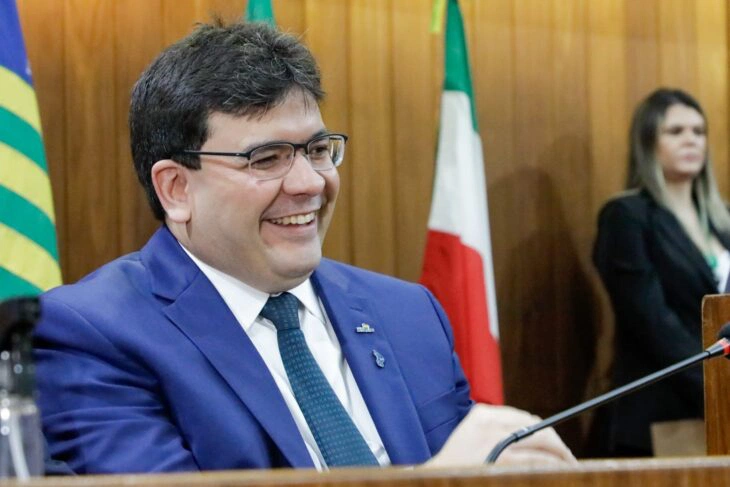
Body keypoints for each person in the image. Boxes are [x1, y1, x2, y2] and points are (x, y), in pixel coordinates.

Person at [33, 20, 574, 474]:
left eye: (317, 149)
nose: (311, 182)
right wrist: (439, 484)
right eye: (267, 158)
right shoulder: (92, 334)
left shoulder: (409, 314)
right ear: (177, 188)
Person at [593, 88, 730, 457]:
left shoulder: (724, 223)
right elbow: (653, 322)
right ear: (648, 142)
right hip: (659, 413)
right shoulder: (627, 217)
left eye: (699, 131)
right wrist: (718, 386)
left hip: (720, 407)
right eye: (676, 131)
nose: (691, 140)